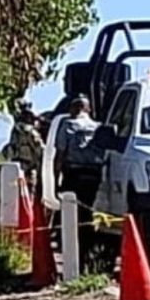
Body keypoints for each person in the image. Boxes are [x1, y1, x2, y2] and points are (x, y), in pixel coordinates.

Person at [54, 95, 104, 270]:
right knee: (90, 214)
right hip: (94, 175)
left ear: (73, 109)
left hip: (74, 174)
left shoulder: (68, 125)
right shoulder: (98, 127)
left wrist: (56, 180)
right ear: (88, 109)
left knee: (72, 217)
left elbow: (60, 154)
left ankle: (76, 257)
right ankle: (90, 254)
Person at [5, 107, 45, 197]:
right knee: (29, 189)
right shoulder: (30, 131)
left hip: (16, 163)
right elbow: (39, 147)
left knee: (16, 189)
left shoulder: (15, 130)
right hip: (29, 164)